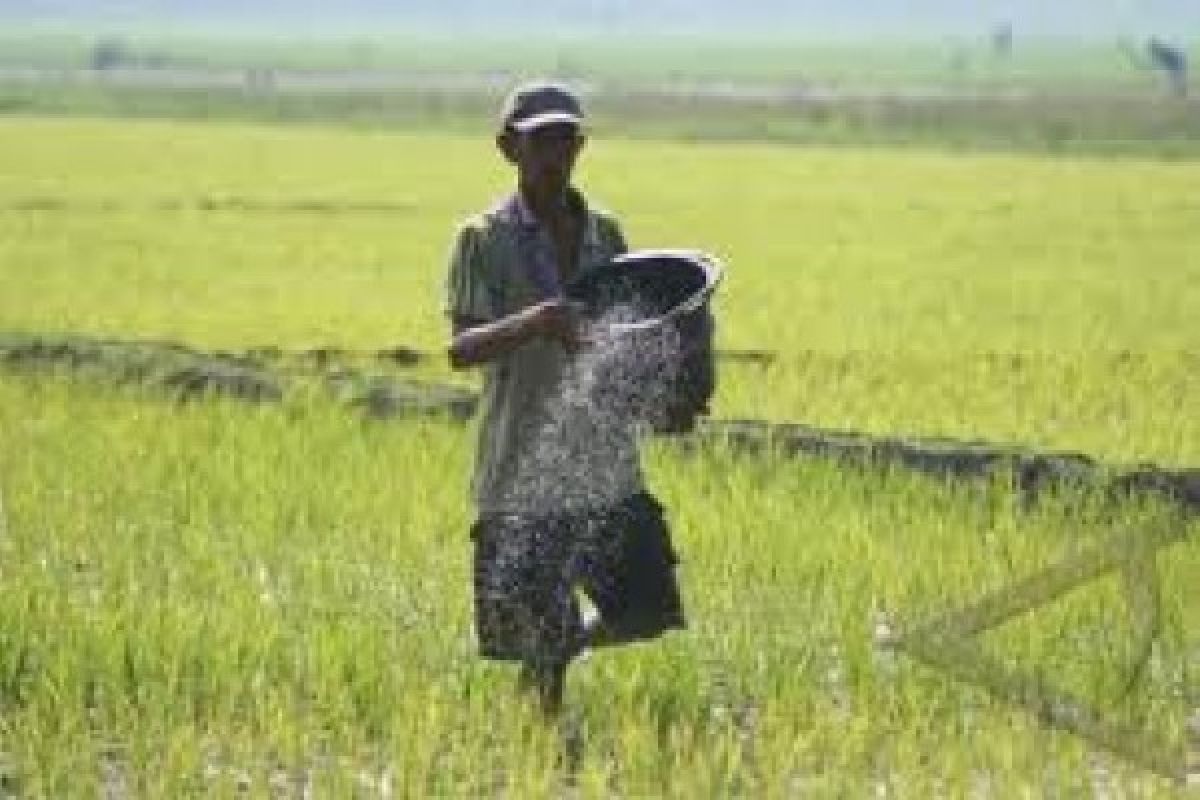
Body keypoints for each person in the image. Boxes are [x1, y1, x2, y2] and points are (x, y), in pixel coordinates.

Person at [444, 81, 697, 715]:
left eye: (566, 139)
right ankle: (543, 748)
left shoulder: (605, 233)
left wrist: (670, 391)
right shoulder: (482, 238)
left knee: (647, 610)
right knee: (540, 662)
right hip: (522, 473)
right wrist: (538, 321)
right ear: (508, 148)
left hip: (605, 469)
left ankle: (562, 644)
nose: (554, 154)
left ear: (581, 147)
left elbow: (631, 332)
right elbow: (461, 348)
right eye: (540, 141)